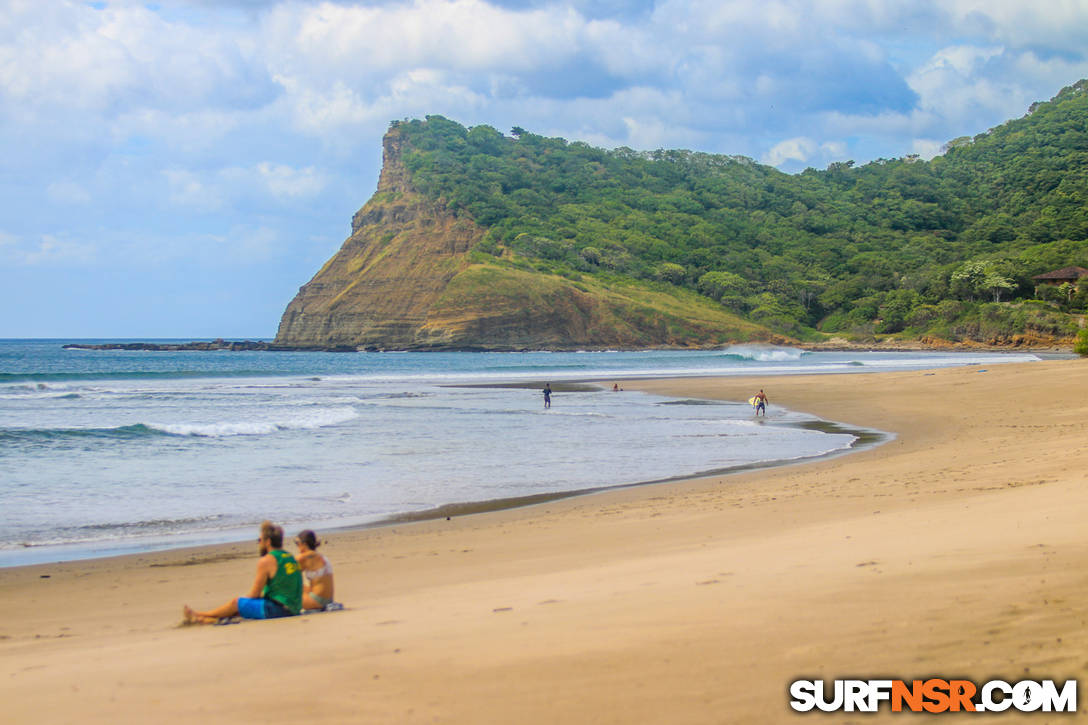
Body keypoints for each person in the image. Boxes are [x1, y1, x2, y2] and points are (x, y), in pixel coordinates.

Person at [183, 520, 302, 624]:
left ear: (268, 542)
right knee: (238, 610)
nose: (259, 543)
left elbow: (255, 594)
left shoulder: (267, 560)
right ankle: (207, 620)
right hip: (294, 608)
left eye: (260, 540)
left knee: (236, 603)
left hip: (279, 610)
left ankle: (200, 615)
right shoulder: (290, 557)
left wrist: (242, 602)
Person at [294, 529, 335, 611]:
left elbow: (287, 574)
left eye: (297, 543)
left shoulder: (304, 557)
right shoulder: (321, 556)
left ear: (304, 544)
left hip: (317, 600)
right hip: (329, 599)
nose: (297, 547)